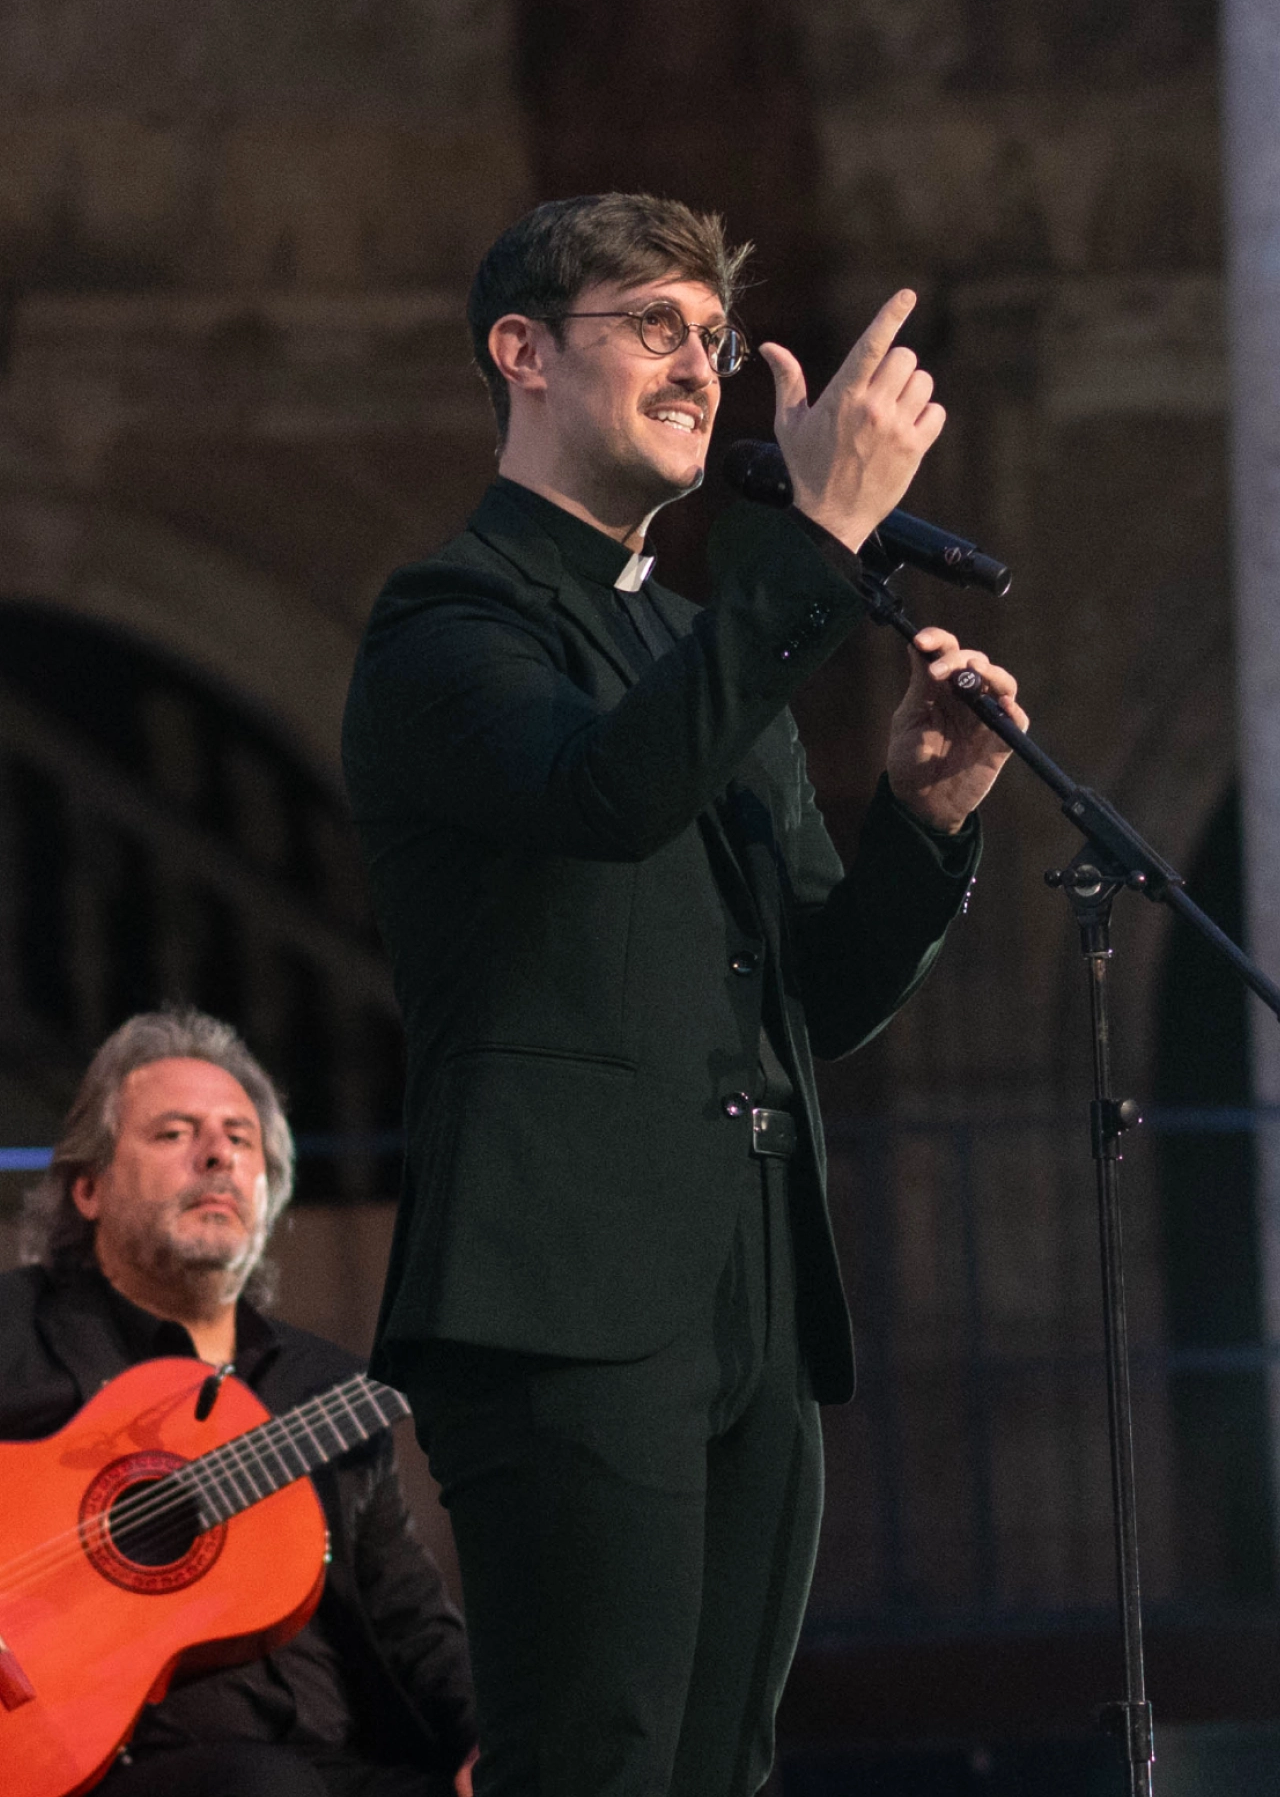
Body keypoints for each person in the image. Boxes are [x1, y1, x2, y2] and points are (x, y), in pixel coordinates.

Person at [340, 192, 1028, 1797]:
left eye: (713, 338)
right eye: (652, 325)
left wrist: (926, 824)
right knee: (600, 1761)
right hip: (564, 1300)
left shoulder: (705, 645)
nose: (698, 366)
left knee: (722, 1763)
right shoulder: (450, 622)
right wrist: (818, 539)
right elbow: (603, 796)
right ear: (521, 353)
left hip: (749, 1292)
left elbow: (814, 996)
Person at [0, 1009, 477, 1797]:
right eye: (173, 1134)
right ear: (87, 1189)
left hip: (339, 1766)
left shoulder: (326, 1390)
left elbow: (410, 1616)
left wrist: (486, 1741)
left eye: (240, 1139)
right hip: (104, 1768)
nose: (217, 1154)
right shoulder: (15, 1328)